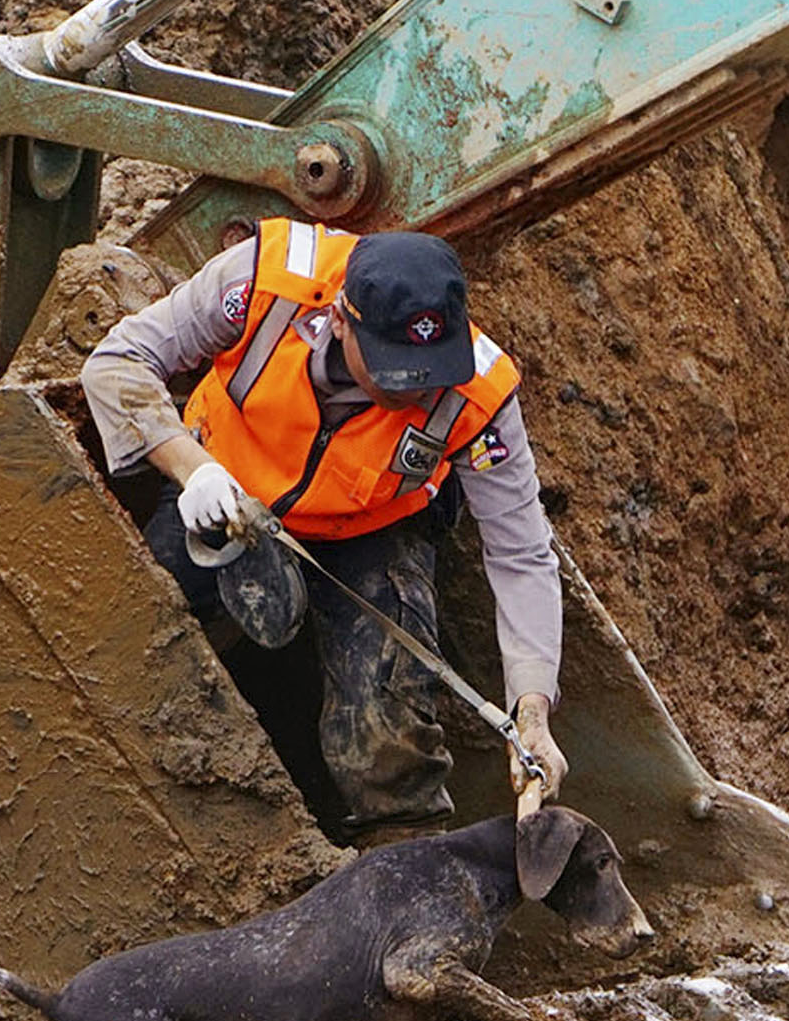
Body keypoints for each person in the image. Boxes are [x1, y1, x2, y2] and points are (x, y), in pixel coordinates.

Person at [81, 219, 569, 835]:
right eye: (395, 370)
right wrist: (194, 470)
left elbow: (521, 552)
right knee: (137, 642)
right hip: (224, 497)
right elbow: (118, 362)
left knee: (387, 726)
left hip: (370, 527)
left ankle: (398, 859)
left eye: (430, 370)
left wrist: (532, 712)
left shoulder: (482, 392)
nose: (416, 391)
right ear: (342, 319)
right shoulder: (264, 281)